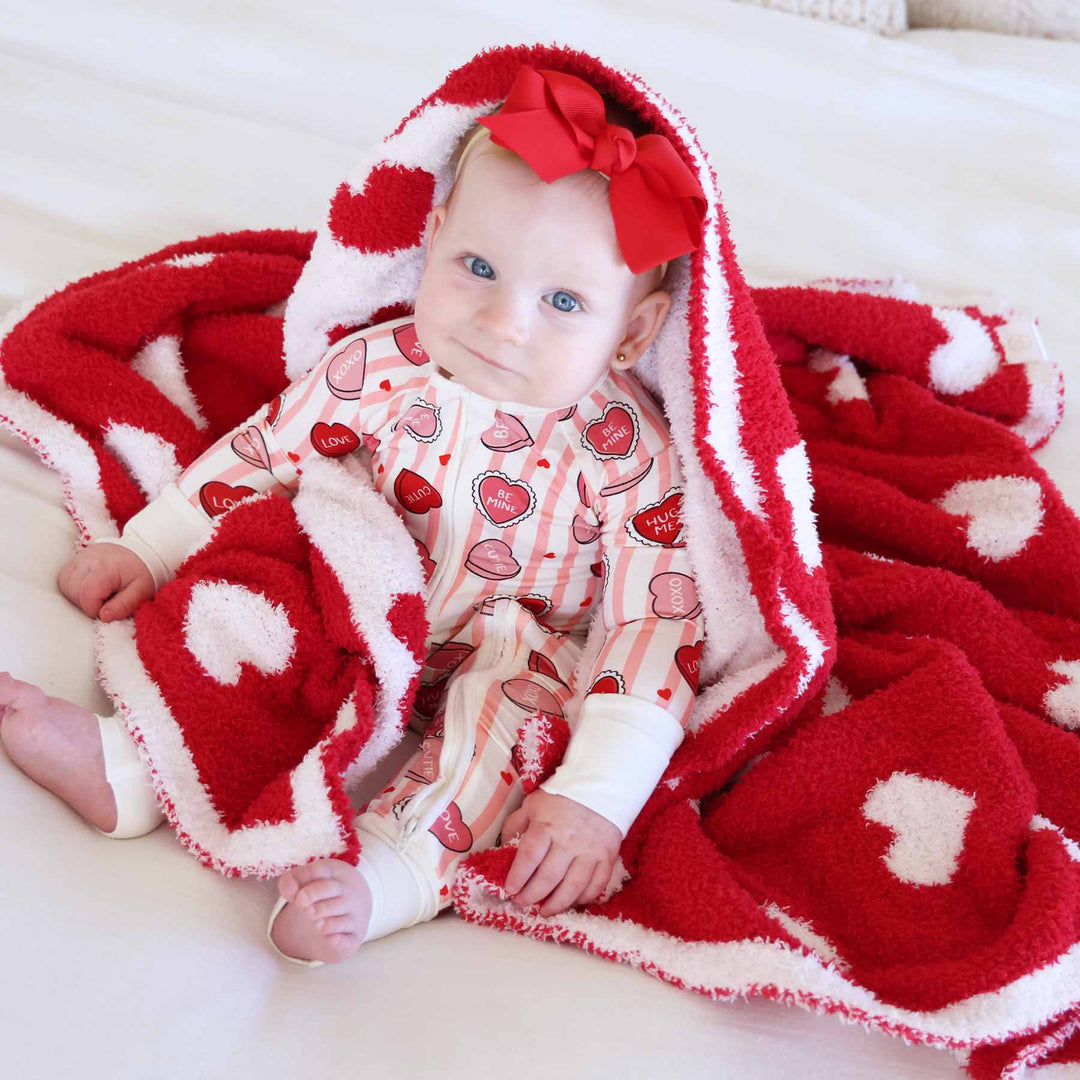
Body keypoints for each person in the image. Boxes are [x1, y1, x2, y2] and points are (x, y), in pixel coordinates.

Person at [0, 65, 707, 964]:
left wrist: (596, 798)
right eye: (478, 268)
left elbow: (655, 621)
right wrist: (151, 547)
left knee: (509, 734)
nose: (501, 321)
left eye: (563, 303)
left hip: (521, 639)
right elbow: (267, 452)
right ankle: (134, 764)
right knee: (262, 611)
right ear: (436, 236)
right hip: (375, 589)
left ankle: (390, 872)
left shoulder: (631, 457)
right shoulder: (382, 367)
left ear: (636, 334)